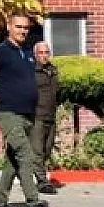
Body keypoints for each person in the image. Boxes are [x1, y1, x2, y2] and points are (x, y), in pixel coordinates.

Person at [0, 14, 52, 207]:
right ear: (9, 27)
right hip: (8, 114)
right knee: (25, 155)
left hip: (27, 115)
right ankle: (34, 203)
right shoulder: (0, 52)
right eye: (18, 27)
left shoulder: (28, 51)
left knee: (13, 161)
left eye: (26, 28)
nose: (23, 31)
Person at [30, 41, 62, 195]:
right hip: (37, 116)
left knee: (47, 149)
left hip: (51, 116)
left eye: (46, 53)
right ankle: (42, 182)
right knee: (37, 151)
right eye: (41, 53)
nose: (44, 56)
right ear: (35, 55)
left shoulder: (53, 70)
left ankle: (35, 176)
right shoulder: (31, 72)